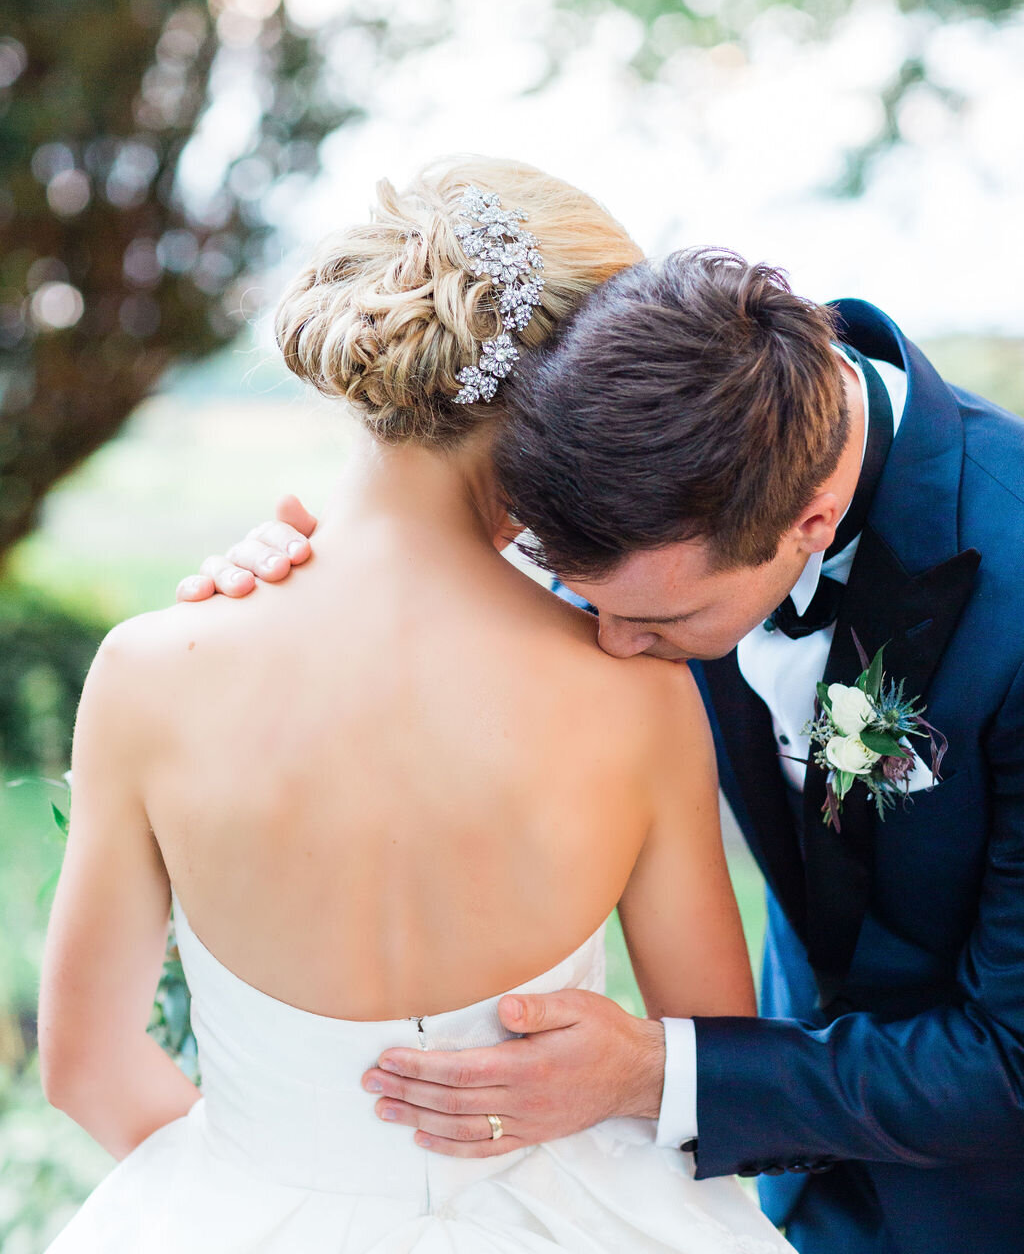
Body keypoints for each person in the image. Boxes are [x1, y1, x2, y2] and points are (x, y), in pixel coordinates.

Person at [38, 160, 792, 1254]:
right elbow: (715, 1054)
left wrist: (266, 1193)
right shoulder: (635, 692)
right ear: (578, 394)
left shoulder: (152, 669)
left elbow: (88, 1068)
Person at [204, 250, 1024, 1254]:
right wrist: (285, 583)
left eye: (653, 622)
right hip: (802, 1194)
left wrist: (649, 1071)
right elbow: (430, 585)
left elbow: (1014, 1061)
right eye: (587, 601)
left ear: (807, 525)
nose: (612, 645)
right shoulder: (645, 444)